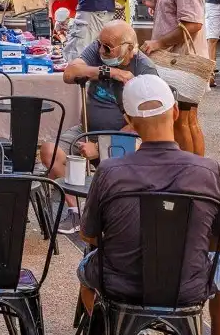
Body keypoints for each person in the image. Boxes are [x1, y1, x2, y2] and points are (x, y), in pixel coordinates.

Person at [79, 75, 220, 335]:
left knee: (86, 271)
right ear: (174, 114)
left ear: (128, 122)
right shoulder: (208, 170)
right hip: (189, 287)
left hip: (121, 285)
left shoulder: (110, 171)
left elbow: (89, 235)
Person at [39, 20, 158, 233]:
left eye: (108, 47)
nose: (101, 49)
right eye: (99, 44)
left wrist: (102, 145)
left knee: (128, 158)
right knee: (49, 150)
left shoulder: (144, 69)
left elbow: (147, 123)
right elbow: (70, 73)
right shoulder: (99, 50)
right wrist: (109, 72)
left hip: (125, 136)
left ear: (128, 47)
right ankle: (77, 213)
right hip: (87, 129)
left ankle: (113, 215)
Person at [142, 0, 207, 156]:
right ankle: (195, 170)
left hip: (182, 59)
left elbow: (192, 24)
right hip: (178, 59)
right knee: (188, 120)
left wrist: (158, 42)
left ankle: (189, 171)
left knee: (182, 121)